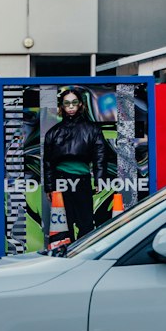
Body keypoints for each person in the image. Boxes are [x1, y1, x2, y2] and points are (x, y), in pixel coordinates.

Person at [43, 87, 108, 244]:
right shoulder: (55, 132)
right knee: (67, 221)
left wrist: (99, 179)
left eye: (74, 103)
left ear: (80, 105)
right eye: (67, 103)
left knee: (83, 221)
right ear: (62, 106)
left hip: (78, 180)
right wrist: (49, 186)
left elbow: (100, 156)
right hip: (64, 180)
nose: (71, 106)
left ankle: (81, 253)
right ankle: (73, 253)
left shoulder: (89, 130)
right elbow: (48, 162)